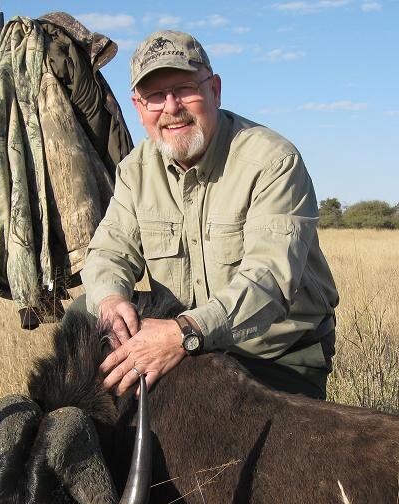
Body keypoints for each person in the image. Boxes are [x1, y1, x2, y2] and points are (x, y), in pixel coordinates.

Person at [79, 30, 339, 399]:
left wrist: (181, 333)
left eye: (184, 88)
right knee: (81, 313)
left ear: (214, 90)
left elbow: (269, 281)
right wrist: (110, 301)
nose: (171, 108)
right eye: (155, 96)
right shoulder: (135, 171)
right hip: (191, 340)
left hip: (276, 351)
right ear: (138, 108)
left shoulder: (273, 160)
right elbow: (108, 253)